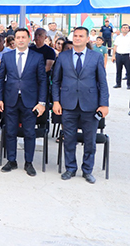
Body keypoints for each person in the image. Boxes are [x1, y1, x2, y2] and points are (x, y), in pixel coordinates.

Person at [52, 27, 109, 184]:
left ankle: (87, 170)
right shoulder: (63, 56)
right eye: (75, 35)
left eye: (81, 36)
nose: (77, 38)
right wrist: (56, 101)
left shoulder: (96, 57)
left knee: (89, 140)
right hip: (68, 104)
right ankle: (70, 168)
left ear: (87, 39)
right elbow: (56, 81)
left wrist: (104, 104)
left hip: (90, 105)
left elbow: (102, 83)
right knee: (69, 138)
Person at [0, 28, 47, 176]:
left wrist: (42, 102)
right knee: (10, 131)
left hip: (30, 101)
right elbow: (0, 78)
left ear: (29, 39)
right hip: (10, 99)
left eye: (23, 37)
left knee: (29, 133)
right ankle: (11, 160)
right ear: (14, 40)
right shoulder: (7, 57)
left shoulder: (37, 57)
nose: (21, 40)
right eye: (18, 37)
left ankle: (28, 162)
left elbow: (43, 81)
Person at [112, 23, 130, 89]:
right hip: (119, 55)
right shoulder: (118, 37)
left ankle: (129, 84)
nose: (125, 29)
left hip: (127, 55)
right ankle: (118, 83)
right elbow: (115, 46)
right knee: (118, 70)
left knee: (129, 70)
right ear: (121, 29)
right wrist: (113, 56)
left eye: (126, 27)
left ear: (128, 29)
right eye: (124, 27)